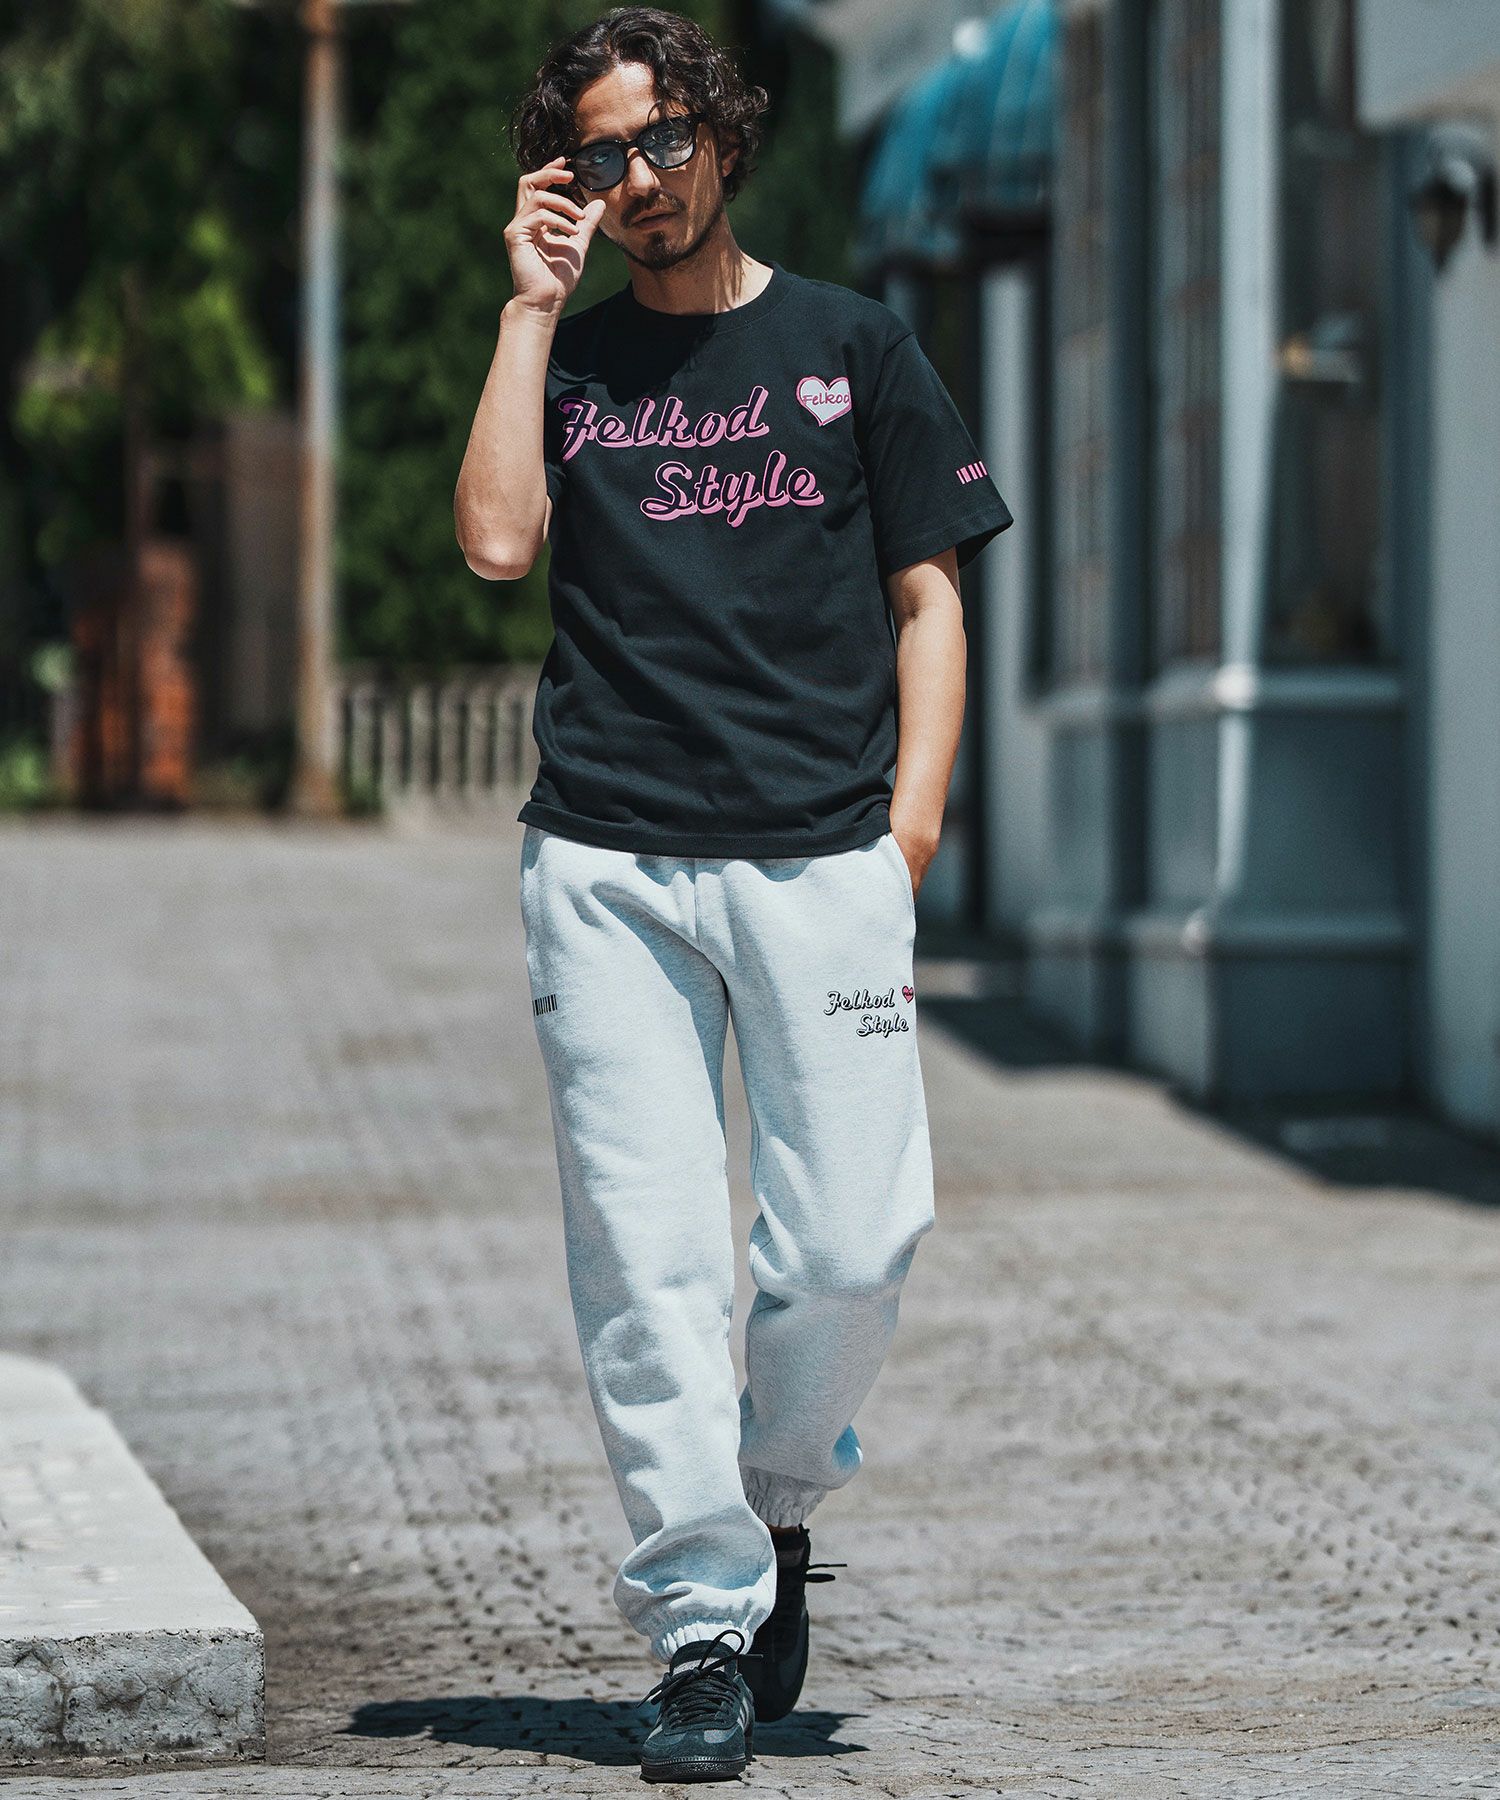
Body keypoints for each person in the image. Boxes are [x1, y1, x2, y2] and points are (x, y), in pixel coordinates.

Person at [455, 6, 1012, 1783]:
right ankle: (702, 1629)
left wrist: (909, 837)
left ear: (722, 131)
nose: (641, 178)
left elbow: (931, 602)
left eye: (665, 138)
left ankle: (773, 1501)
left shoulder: (854, 345)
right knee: (653, 1260)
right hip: (608, 865)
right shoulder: (576, 363)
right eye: (600, 157)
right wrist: (527, 313)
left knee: (854, 1241)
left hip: (825, 856)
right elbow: (495, 541)